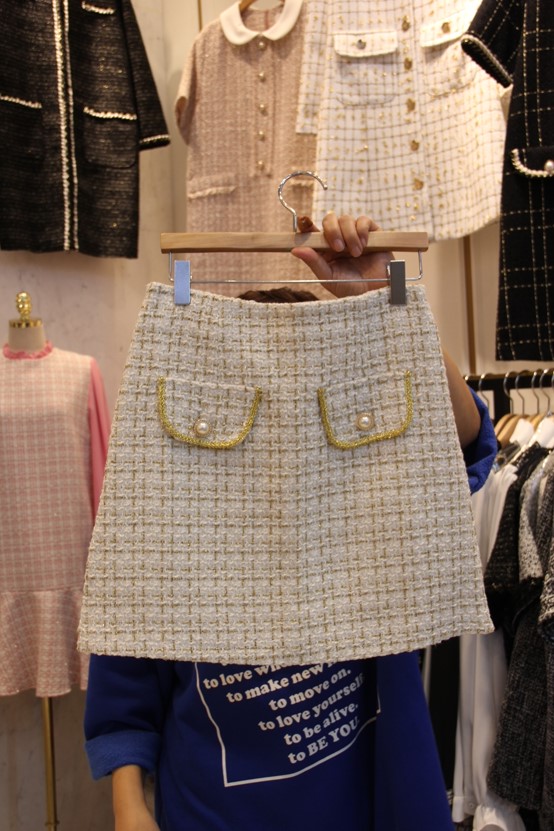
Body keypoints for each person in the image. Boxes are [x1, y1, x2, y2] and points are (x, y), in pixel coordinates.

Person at [84, 214, 497, 831]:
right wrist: (129, 808)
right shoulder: (175, 525)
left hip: (369, 806)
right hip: (208, 813)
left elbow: (460, 441)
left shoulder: (370, 513)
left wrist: (389, 306)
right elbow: (125, 674)